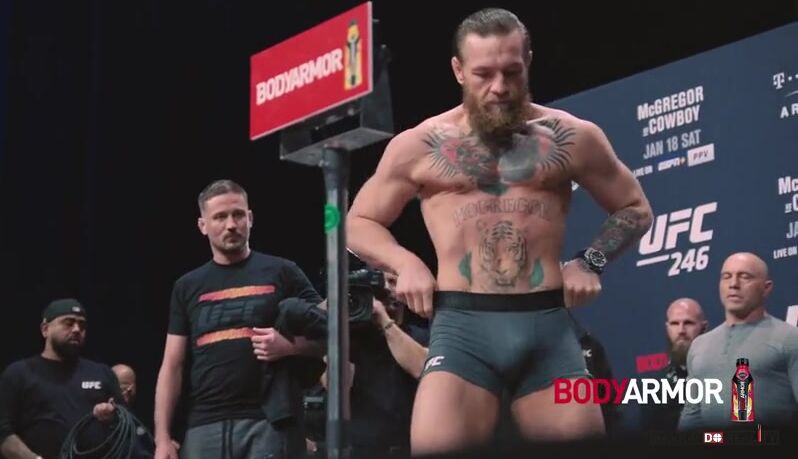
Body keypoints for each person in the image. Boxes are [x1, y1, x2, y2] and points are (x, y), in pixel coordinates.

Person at [345, 7, 653, 454]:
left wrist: (591, 262)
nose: (500, 87)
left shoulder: (572, 137)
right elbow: (358, 222)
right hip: (462, 328)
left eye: (512, 71)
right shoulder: (421, 144)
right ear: (458, 70)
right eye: (483, 74)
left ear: (528, 61)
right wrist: (403, 262)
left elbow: (635, 208)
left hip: (548, 329)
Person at [153, 179, 324, 459]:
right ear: (203, 225)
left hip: (270, 422)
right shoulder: (186, 286)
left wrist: (289, 347)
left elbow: (332, 334)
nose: (231, 224)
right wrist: (162, 438)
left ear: (250, 218)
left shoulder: (283, 271)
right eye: (220, 217)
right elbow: (172, 365)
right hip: (204, 424)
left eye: (238, 215)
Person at [678, 252, 798, 431]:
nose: (733, 284)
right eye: (726, 277)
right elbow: (692, 414)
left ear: (766, 288)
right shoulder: (699, 345)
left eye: (745, 277)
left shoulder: (790, 339)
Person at [0, 299, 121, 459]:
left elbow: (127, 426)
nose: (77, 329)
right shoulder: (19, 373)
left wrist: (112, 417)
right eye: (68, 323)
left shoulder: (102, 373)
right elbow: (3, 432)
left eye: (82, 325)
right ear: (45, 329)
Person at [640, 298, 707, 431]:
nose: (681, 330)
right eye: (675, 323)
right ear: (667, 328)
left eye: (688, 323)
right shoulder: (655, 388)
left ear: (704, 327)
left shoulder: (723, 375)